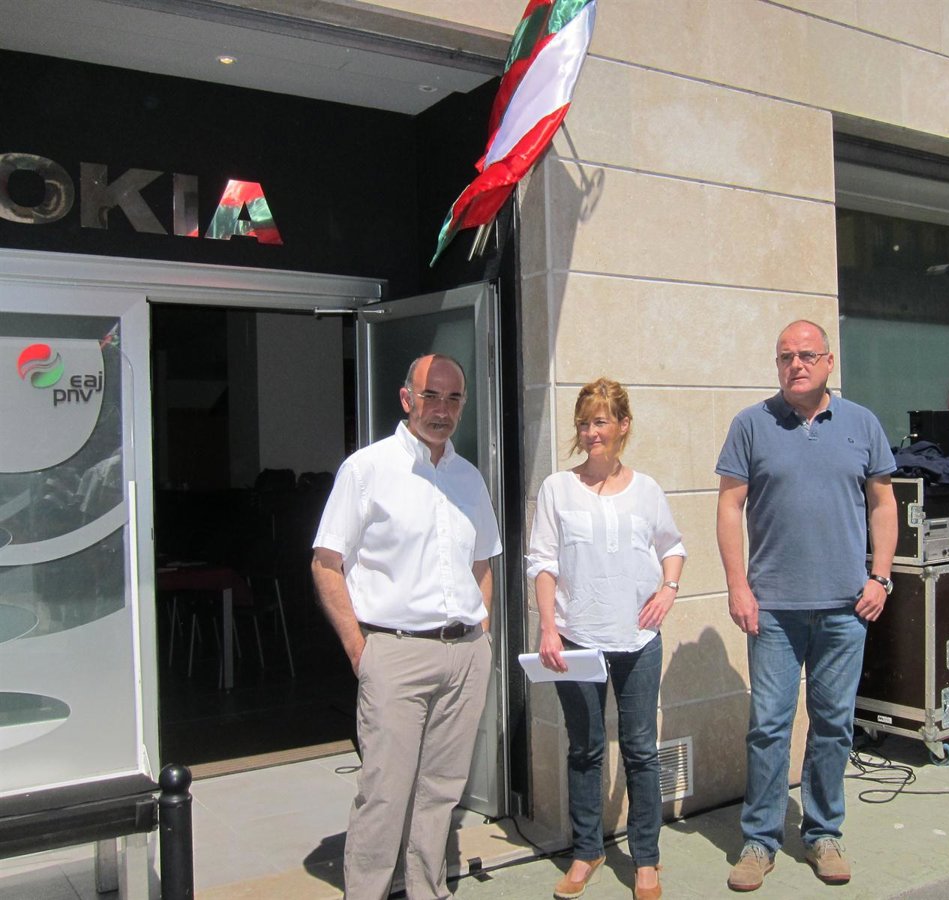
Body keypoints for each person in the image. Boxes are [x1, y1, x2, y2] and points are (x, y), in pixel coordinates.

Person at [311, 353, 501, 900]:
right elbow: (326, 562)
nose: (441, 409)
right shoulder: (367, 469)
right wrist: (359, 649)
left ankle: (426, 889)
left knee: (441, 792)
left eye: (453, 398)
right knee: (384, 793)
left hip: (464, 655)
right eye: (430, 396)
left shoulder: (468, 477)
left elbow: (482, 563)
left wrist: (482, 633)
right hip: (394, 652)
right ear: (406, 398)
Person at [715, 320, 897, 891]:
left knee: (833, 725)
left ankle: (822, 833)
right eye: (785, 356)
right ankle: (760, 840)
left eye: (807, 355)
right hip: (772, 610)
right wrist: (738, 586)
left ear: (828, 362)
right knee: (769, 726)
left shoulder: (862, 424)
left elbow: (883, 504)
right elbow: (729, 508)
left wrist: (881, 577)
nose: (796, 364)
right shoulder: (751, 425)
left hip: (846, 608)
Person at [527, 378, 686, 900]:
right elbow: (543, 562)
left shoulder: (647, 490)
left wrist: (668, 591)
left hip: (638, 639)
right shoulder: (557, 489)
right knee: (586, 750)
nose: (591, 432)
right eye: (584, 423)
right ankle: (587, 851)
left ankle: (646, 859)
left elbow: (672, 547)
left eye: (600, 421)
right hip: (576, 639)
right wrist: (548, 627)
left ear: (622, 426)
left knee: (640, 750)